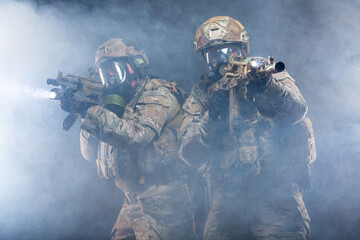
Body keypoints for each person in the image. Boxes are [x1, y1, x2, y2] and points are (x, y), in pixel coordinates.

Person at [178, 16, 316, 240]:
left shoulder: (270, 76)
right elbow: (187, 153)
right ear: (205, 59)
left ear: (243, 51)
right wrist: (211, 117)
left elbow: (298, 110)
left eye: (229, 51)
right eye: (214, 55)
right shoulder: (203, 93)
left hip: (275, 188)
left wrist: (268, 88)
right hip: (227, 194)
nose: (223, 60)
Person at [79, 38, 199, 240]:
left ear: (135, 66)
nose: (110, 79)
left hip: (164, 199)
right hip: (133, 199)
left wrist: (92, 112)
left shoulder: (157, 95)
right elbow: (89, 154)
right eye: (104, 74)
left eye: (115, 71)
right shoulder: (117, 103)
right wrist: (87, 113)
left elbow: (137, 137)